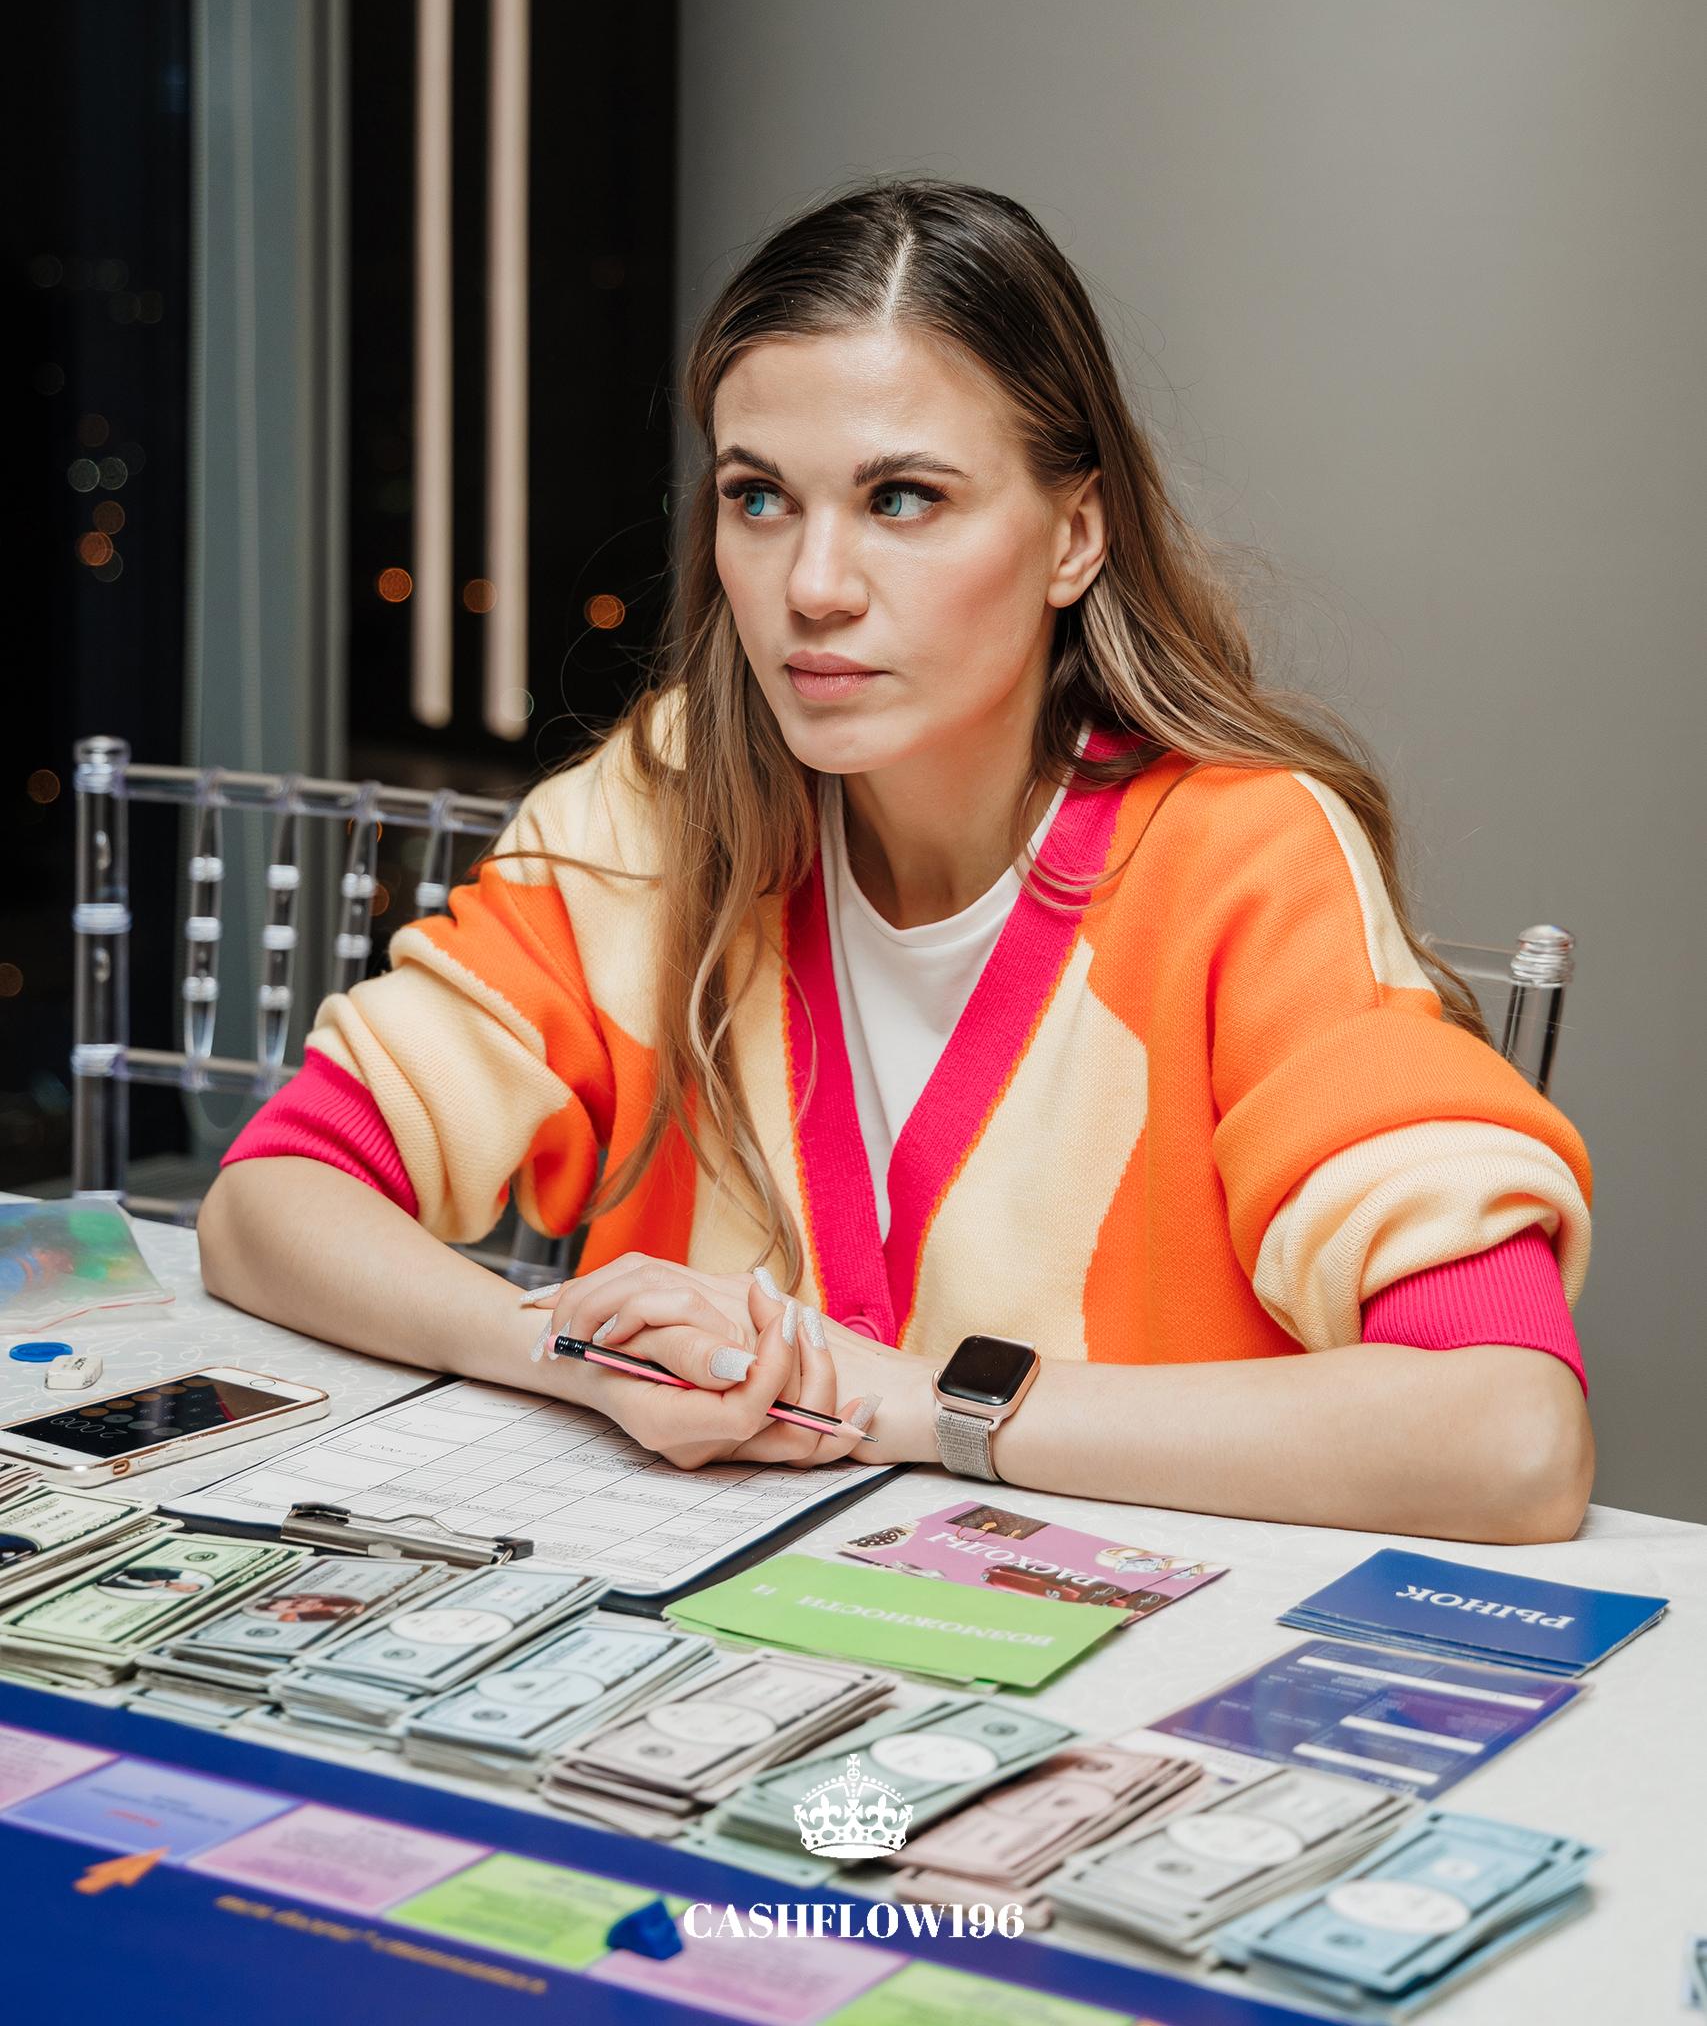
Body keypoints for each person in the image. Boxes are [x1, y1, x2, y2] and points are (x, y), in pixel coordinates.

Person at [199, 179, 1594, 1543]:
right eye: (759, 498)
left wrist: (907, 1402)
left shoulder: (1241, 856)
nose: (814, 586)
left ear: (1075, 536)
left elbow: (1509, 1432)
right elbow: (269, 1200)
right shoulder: (663, 806)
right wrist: (569, 1350)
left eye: (905, 498)